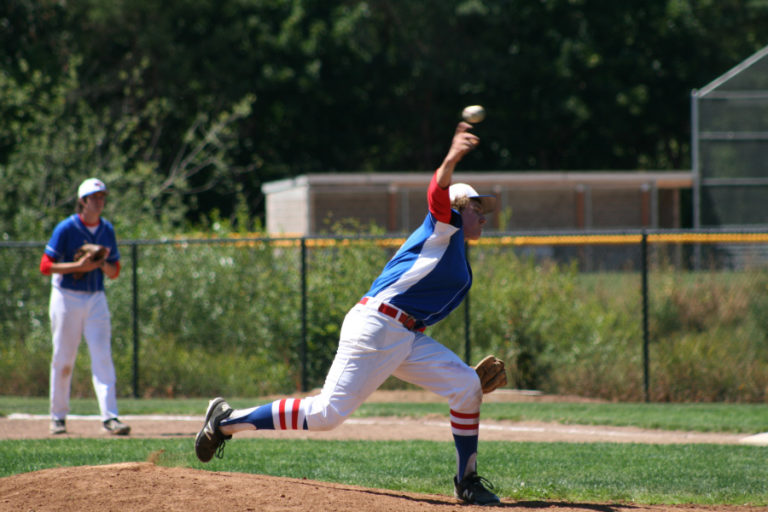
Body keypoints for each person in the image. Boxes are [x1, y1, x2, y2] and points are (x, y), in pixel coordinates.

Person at [195, 122, 500, 505]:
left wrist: (451, 369)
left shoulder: (457, 257)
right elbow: (436, 191)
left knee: (467, 387)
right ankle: (225, 422)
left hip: (406, 336)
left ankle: (467, 481)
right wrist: (452, 157)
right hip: (376, 325)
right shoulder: (444, 226)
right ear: (458, 209)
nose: (483, 215)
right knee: (327, 415)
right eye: (477, 207)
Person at [39, 178, 131, 436]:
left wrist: (100, 262)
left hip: (95, 297)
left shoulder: (107, 229)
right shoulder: (66, 228)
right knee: (64, 358)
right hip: (66, 296)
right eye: (95, 197)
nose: (100, 201)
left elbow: (115, 272)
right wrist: (77, 267)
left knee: (102, 356)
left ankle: (110, 418)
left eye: (102, 197)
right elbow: (45, 266)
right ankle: (58, 417)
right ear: (83, 201)